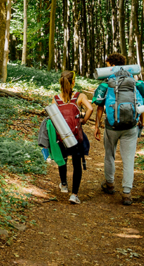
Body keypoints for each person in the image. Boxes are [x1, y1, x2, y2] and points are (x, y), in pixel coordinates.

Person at [93, 53, 139, 205]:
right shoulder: (133, 81)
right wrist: (140, 122)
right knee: (128, 160)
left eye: (107, 65)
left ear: (111, 65)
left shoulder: (106, 83)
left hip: (112, 126)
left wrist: (97, 126)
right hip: (131, 126)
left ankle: (110, 184)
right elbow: (142, 102)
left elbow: (99, 105)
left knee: (109, 154)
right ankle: (127, 193)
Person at [50, 70, 94, 204]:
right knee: (76, 163)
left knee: (62, 159)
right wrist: (83, 120)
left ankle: (64, 184)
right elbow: (90, 109)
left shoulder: (56, 98)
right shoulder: (79, 96)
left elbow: (52, 117)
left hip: (61, 136)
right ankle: (74, 195)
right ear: (73, 82)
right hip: (75, 136)